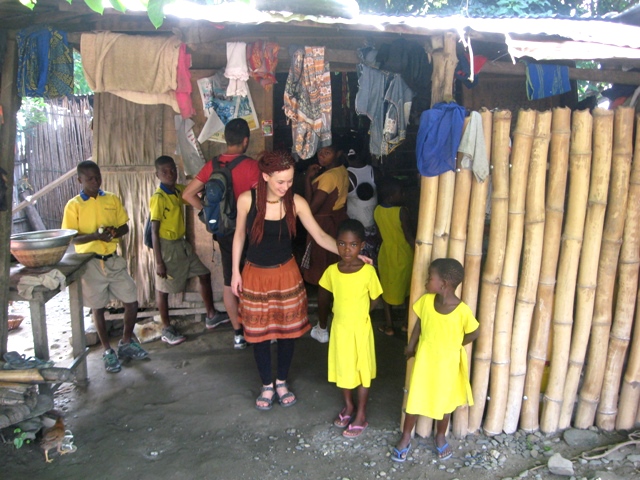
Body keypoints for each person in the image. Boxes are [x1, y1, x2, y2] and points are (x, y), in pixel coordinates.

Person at [231, 150, 343, 411]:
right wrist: (236, 272)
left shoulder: (296, 202)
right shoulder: (247, 200)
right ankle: (266, 385)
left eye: (290, 181)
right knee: (258, 335)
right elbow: (239, 236)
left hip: (286, 275)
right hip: (255, 275)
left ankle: (281, 382)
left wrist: (351, 254)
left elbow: (320, 236)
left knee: (287, 333)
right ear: (265, 176)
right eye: (280, 181)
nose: (286, 186)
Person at [62, 160, 148, 373]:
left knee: (131, 300)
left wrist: (113, 231)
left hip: (112, 259)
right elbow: (71, 238)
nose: (95, 181)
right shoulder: (74, 205)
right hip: (89, 262)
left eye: (97, 177)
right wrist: (94, 236)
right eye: (90, 178)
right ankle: (107, 351)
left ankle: (126, 342)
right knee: (98, 308)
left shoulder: (111, 199)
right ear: (80, 180)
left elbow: (124, 227)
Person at [391, 258, 479, 463]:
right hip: (425, 361)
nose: (426, 281)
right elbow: (419, 325)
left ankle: (440, 436)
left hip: (447, 365)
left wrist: (456, 343)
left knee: (444, 403)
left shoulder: (462, 311)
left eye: (430, 278)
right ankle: (406, 436)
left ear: (443, 284)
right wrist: (411, 346)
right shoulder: (426, 302)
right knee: (415, 399)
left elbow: (474, 332)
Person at [182, 118, 260, 350]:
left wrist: (207, 214)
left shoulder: (213, 165)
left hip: (225, 233)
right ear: (245, 140)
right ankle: (257, 329)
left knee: (229, 282)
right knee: (254, 281)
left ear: (226, 140)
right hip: (249, 231)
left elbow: (187, 194)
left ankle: (238, 334)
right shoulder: (251, 166)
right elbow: (263, 201)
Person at [317, 219, 382, 438]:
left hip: (360, 330)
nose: (347, 249)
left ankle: (361, 414)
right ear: (336, 244)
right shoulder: (331, 272)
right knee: (344, 368)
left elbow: (375, 298)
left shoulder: (368, 272)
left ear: (362, 245)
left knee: (362, 372)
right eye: (342, 244)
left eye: (353, 245)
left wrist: (362, 313)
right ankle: (349, 406)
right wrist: (323, 323)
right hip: (340, 330)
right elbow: (324, 298)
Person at [150, 155, 222, 346]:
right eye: (164, 171)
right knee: (163, 288)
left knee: (204, 274)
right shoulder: (158, 198)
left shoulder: (178, 191)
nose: (170, 174)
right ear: (157, 175)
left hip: (182, 245)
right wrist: (159, 261)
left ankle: (211, 315)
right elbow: (154, 231)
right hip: (167, 247)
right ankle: (166, 328)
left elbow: (194, 192)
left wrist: (209, 187)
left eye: (172, 170)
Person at [302, 143, 349, 289]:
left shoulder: (328, 177)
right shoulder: (341, 170)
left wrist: (307, 179)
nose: (321, 156)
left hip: (323, 224)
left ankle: (323, 295)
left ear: (338, 154)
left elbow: (311, 209)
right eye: (320, 151)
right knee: (332, 261)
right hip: (337, 220)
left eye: (327, 153)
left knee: (321, 265)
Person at [374, 177, 415, 336]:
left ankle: (389, 325)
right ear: (391, 196)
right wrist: (418, 251)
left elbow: (379, 235)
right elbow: (409, 236)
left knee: (387, 289)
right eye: (401, 192)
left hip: (386, 254)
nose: (403, 195)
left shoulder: (377, 210)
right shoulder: (401, 211)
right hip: (404, 254)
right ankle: (406, 323)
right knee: (408, 288)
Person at [346, 148, 380, 263]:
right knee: (372, 258)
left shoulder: (346, 175)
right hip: (372, 224)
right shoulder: (374, 172)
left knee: (357, 259)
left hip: (356, 227)